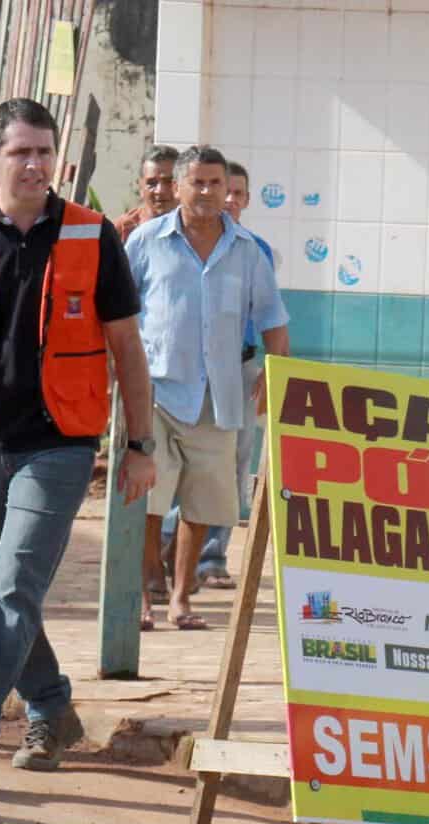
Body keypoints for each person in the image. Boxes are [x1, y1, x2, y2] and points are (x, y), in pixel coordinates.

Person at [0, 97, 156, 788]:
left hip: (60, 443)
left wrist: (140, 443)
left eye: (44, 152)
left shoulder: (90, 234)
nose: (35, 164)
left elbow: (128, 349)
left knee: (14, 585)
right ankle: (52, 707)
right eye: (21, 152)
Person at [127, 145, 288, 631]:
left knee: (202, 503)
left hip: (219, 396)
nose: (206, 192)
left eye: (215, 183)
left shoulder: (247, 251)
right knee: (149, 502)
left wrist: (274, 373)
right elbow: (117, 312)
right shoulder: (145, 241)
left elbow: (273, 318)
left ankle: (181, 599)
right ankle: (142, 597)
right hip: (154, 391)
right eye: (196, 182)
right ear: (176, 187)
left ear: (228, 190)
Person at [190, 159, 276, 590]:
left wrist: (269, 373)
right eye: (226, 191)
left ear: (245, 200)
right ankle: (170, 550)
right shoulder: (186, 242)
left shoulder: (256, 251)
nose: (230, 200)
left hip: (239, 369)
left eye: (238, 193)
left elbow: (270, 317)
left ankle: (212, 555)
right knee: (184, 459)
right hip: (188, 370)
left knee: (235, 460)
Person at [113, 143, 177, 243]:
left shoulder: (198, 229)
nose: (160, 191)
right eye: (151, 183)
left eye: (168, 182)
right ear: (140, 186)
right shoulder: (123, 229)